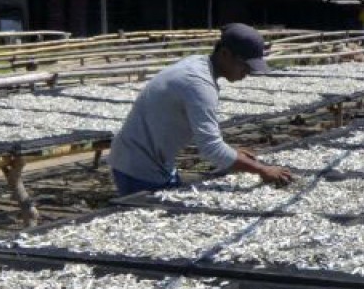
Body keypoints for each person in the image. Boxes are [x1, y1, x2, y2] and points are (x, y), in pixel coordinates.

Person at [107, 23, 295, 196]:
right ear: (225, 54)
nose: (246, 73)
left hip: (153, 160)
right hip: (139, 167)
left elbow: (202, 135)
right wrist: (262, 169)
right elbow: (210, 148)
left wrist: (232, 153)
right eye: (244, 66)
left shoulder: (199, 63)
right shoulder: (199, 84)